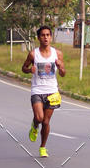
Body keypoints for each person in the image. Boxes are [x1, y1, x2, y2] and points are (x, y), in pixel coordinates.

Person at [22, 25, 65, 157]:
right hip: (37, 90)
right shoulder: (33, 54)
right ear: (39, 38)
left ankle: (43, 147)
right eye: (43, 35)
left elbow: (63, 73)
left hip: (52, 91)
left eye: (48, 35)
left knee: (46, 121)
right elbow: (23, 68)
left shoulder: (57, 54)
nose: (45, 37)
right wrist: (30, 70)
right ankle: (34, 126)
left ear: (51, 37)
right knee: (39, 118)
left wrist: (60, 67)